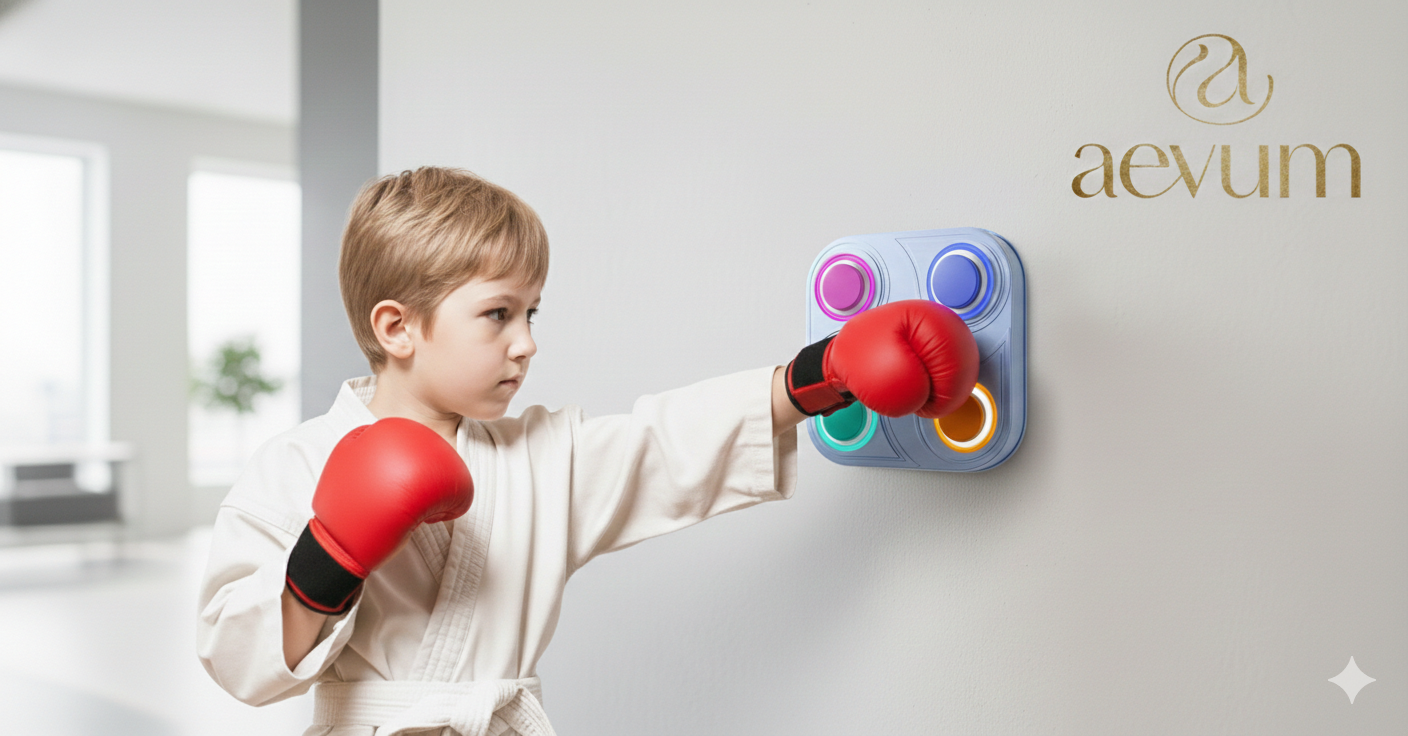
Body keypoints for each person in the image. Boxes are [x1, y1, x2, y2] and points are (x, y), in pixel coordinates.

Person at [196, 167, 977, 736]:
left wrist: (822, 375)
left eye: (532, 311)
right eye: (497, 315)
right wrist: (330, 557)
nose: (527, 343)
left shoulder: (541, 457)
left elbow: (663, 444)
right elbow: (240, 659)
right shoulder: (296, 466)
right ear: (398, 328)